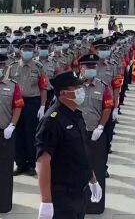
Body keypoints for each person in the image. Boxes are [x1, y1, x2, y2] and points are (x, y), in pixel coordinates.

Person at [36, 71, 103, 219]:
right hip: (61, 196)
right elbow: (43, 161)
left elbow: (82, 153)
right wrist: (46, 201)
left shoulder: (77, 116)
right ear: (63, 93)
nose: (81, 92)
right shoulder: (51, 121)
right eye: (76, 88)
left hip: (79, 192)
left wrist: (92, 179)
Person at [7, 38, 48, 176]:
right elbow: (7, 87)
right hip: (16, 104)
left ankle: (31, 163)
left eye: (30, 50)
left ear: (33, 51)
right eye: (25, 50)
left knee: (31, 134)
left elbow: (43, 87)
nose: (27, 52)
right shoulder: (12, 67)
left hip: (32, 103)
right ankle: (20, 163)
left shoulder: (38, 67)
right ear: (20, 51)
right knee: (17, 133)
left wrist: (42, 106)